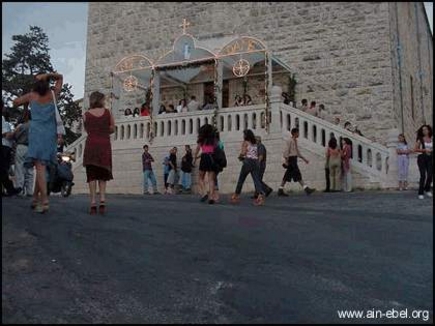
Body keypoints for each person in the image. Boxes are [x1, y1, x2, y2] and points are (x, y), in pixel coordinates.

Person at [12, 72, 63, 212]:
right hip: (50, 133)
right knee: (42, 166)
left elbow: (15, 102)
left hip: (36, 133)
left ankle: (45, 200)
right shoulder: (53, 94)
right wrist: (48, 74)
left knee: (39, 167)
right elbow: (60, 77)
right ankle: (35, 198)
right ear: (47, 83)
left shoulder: (31, 96)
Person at [83, 91, 115, 214]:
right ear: (101, 100)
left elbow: (87, 129)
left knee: (91, 175)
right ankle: (102, 200)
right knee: (103, 173)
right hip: (104, 145)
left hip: (91, 145)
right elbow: (112, 128)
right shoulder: (107, 113)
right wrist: (104, 130)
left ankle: (92, 202)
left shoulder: (86, 115)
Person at [230, 129, 265, 206]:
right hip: (255, 162)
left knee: (241, 179)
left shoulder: (245, 143)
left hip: (248, 162)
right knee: (256, 180)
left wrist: (240, 157)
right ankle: (260, 197)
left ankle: (236, 195)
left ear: (246, 136)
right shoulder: (255, 143)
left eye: (244, 135)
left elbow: (243, 153)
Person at [278, 128, 315, 196]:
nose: (299, 134)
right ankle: (306, 189)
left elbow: (297, 152)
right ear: (295, 133)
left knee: (287, 175)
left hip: (294, 159)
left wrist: (304, 159)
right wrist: (286, 160)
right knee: (297, 174)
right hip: (291, 159)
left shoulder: (295, 141)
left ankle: (280, 189)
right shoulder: (289, 140)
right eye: (298, 132)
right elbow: (287, 150)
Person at [194, 124, 219, 204]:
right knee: (211, 179)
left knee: (201, 177)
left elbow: (198, 149)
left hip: (204, 157)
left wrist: (195, 157)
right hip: (212, 157)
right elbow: (216, 148)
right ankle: (211, 197)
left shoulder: (202, 139)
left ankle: (204, 193)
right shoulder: (213, 139)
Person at [10, 111, 34, 196]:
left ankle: (19, 188)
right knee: (30, 170)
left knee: (19, 168)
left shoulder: (22, 126)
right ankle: (30, 190)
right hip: (32, 148)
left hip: (22, 146)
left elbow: (15, 136)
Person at [2, 103, 22, 196]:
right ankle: (10, 189)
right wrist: (16, 129)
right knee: (3, 169)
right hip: (4, 146)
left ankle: (8, 189)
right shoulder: (3, 121)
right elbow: (7, 135)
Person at [414, 125, 433, 199]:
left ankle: (427, 189)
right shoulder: (420, 139)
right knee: (423, 175)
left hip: (430, 158)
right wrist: (425, 150)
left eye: (425, 129)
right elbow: (415, 149)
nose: (424, 131)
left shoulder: (431, 139)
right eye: (423, 130)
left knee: (430, 175)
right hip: (421, 158)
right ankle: (420, 192)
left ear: (429, 130)